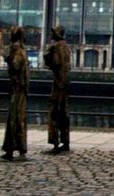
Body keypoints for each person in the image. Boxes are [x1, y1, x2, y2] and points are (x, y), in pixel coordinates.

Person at [0, 26, 29, 161]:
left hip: (18, 88)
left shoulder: (16, 48)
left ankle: (14, 149)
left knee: (15, 118)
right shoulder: (22, 48)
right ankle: (13, 148)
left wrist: (7, 57)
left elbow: (16, 65)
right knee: (16, 118)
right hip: (20, 88)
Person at [44, 25, 71, 154]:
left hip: (58, 82)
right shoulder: (66, 46)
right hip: (65, 83)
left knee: (54, 113)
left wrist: (47, 55)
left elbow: (54, 63)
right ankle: (65, 142)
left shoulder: (55, 47)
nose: (51, 35)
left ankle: (55, 142)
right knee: (64, 113)